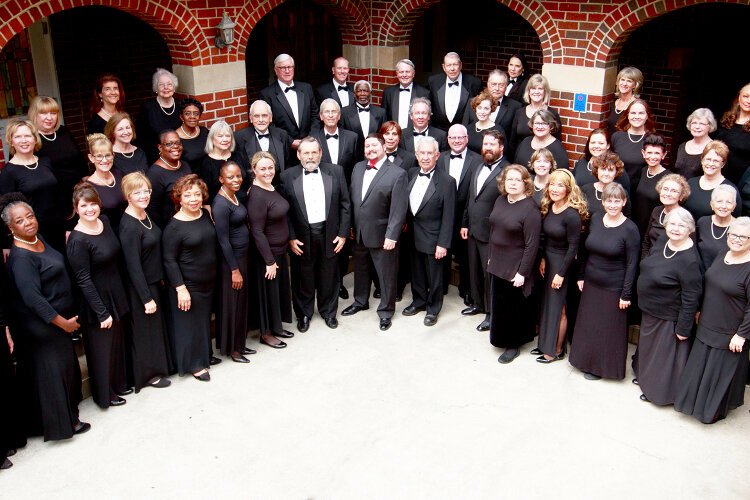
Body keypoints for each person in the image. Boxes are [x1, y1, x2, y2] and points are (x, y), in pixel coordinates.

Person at [3, 194, 90, 440]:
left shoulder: (37, 239)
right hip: (44, 326)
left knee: (66, 370)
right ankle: (64, 425)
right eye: (20, 221)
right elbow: (33, 299)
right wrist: (63, 323)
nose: (28, 222)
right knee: (54, 374)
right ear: (11, 228)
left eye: (30, 216)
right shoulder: (21, 258)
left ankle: (68, 416)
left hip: (58, 320)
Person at [675, 217, 750, 423]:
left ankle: (711, 411)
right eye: (733, 234)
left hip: (730, 331)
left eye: (743, 237)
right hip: (708, 322)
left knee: (718, 374)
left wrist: (742, 334)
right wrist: (699, 309)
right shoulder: (722, 254)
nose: (736, 239)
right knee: (700, 368)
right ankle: (694, 404)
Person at [66, 182, 130, 408]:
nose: (90, 209)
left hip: (116, 290)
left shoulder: (104, 222)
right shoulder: (77, 240)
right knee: (102, 349)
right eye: (84, 206)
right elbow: (83, 279)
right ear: (76, 208)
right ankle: (105, 394)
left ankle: (119, 384)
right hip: (96, 299)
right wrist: (101, 312)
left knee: (116, 344)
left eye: (93, 204)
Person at [569, 183, 640, 380]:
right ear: (603, 201)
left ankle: (602, 369)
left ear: (624, 202)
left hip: (613, 288)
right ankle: (584, 361)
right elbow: (584, 250)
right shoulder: (596, 219)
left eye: (617, 201)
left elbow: (632, 264)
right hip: (591, 283)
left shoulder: (630, 229)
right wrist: (581, 275)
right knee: (589, 326)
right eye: (609, 200)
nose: (613, 204)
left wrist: (626, 294)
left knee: (607, 331)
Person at [280, 137, 350, 331]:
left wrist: (343, 233)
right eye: (306, 152)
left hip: (330, 232)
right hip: (301, 235)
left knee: (329, 274)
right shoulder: (287, 176)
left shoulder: (336, 171)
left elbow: (345, 204)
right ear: (298, 154)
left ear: (320, 153)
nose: (310, 156)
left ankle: (328, 312)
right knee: (304, 275)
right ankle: (303, 314)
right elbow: (284, 211)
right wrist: (291, 237)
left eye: (314, 152)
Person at [342, 134, 408, 331]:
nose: (370, 149)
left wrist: (392, 236)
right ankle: (360, 301)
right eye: (366, 146)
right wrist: (352, 226)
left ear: (383, 147)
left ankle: (386, 311)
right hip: (360, 232)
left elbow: (399, 209)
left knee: (386, 274)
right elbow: (355, 201)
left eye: (373, 145)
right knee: (360, 270)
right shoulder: (358, 168)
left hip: (383, 235)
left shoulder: (397, 173)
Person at [636, 208, 702, 405]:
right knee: (649, 352)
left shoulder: (690, 260)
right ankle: (645, 381)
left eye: (681, 226)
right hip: (651, 310)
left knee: (663, 359)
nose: (675, 229)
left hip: (668, 316)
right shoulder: (665, 241)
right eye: (672, 224)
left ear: (690, 230)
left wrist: (683, 328)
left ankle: (660, 394)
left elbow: (691, 297)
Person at [118, 172, 172, 391]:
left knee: (155, 329)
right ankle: (148, 375)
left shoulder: (144, 214)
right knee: (145, 332)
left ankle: (162, 366)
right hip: (142, 287)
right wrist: (146, 298)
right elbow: (133, 266)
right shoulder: (129, 225)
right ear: (128, 196)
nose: (143, 195)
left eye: (146, 191)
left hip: (154, 281)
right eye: (137, 192)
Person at [162, 174, 217, 380]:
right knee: (190, 325)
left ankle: (205, 355)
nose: (193, 199)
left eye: (197, 194)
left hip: (208, 280)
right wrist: (180, 287)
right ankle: (194, 364)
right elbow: (169, 260)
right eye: (188, 195)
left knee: (203, 321)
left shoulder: (204, 214)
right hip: (188, 284)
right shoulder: (174, 227)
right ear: (179, 198)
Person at [488, 164, 541, 363]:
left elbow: (532, 245)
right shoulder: (501, 200)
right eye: (509, 179)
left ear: (525, 183)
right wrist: (492, 256)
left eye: (517, 180)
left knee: (514, 307)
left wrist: (522, 273)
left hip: (516, 266)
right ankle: (500, 338)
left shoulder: (530, 209)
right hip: (498, 261)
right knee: (500, 304)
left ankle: (514, 344)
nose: (512, 183)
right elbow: (494, 230)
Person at [534, 170, 587, 363]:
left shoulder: (572, 215)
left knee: (560, 307)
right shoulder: (549, 207)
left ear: (568, 189)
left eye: (560, 185)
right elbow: (545, 238)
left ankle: (556, 350)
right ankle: (544, 344)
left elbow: (574, 247)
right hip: (548, 260)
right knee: (548, 304)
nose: (555, 189)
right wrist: (542, 259)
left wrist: (561, 274)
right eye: (553, 184)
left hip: (563, 264)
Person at [402, 136, 455, 326]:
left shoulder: (447, 181)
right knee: (416, 271)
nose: (425, 157)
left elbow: (449, 216)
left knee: (435, 275)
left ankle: (433, 308)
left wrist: (443, 243)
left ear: (437, 155)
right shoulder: (410, 173)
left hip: (434, 237)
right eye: (422, 153)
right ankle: (419, 301)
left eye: (429, 153)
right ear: (416, 155)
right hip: (412, 234)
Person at [461, 130, 508, 331]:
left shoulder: (507, 171)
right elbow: (471, 198)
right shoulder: (478, 166)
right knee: (474, 270)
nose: (487, 148)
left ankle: (491, 313)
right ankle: (478, 304)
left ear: (501, 148)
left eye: (492, 144)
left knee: (489, 275)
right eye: (485, 144)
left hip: (492, 233)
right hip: (473, 229)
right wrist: (465, 223)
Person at [246, 152, 294, 348]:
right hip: (267, 255)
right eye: (262, 169)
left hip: (280, 250)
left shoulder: (271, 187)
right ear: (254, 170)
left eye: (270, 168)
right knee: (267, 294)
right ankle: (266, 333)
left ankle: (276, 326)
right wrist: (269, 261)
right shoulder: (256, 195)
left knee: (277, 292)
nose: (267, 172)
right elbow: (257, 231)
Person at [0, 119, 66, 252]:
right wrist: (6, 244)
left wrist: (68, 226)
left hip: (58, 228)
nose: (23, 140)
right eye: (18, 137)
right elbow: (6, 212)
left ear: (35, 139)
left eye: (27, 135)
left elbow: (59, 196)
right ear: (11, 141)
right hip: (33, 233)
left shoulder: (45, 162)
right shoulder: (8, 172)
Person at [212, 162, 253, 362]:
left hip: (243, 257)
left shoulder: (234, 195)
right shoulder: (220, 204)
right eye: (230, 177)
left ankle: (240, 344)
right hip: (232, 261)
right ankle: (233, 350)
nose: (236, 180)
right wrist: (234, 270)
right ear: (221, 179)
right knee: (232, 304)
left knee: (241, 302)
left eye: (238, 176)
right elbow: (222, 240)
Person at [438, 124, 482, 301]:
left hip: (466, 216)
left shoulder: (478, 160)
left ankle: (466, 289)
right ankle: (440, 287)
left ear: (467, 139)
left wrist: (466, 220)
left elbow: (475, 193)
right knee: (442, 253)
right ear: (448, 140)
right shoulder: (440, 158)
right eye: (453, 137)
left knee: (465, 256)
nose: (456, 141)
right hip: (443, 216)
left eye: (460, 137)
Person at [28, 96, 87, 205]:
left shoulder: (63, 131)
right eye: (44, 113)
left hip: (77, 193)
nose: (49, 118)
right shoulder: (29, 138)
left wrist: (86, 182)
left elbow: (79, 160)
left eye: (53, 113)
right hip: (51, 198)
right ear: (34, 114)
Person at [259, 53, 320, 149]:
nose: (287, 71)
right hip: (284, 148)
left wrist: (311, 138)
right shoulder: (267, 94)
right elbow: (269, 124)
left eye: (290, 67)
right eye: (283, 68)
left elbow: (315, 115)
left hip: (309, 146)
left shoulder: (306, 88)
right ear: (276, 70)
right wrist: (290, 141)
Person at [234, 100, 292, 179]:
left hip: (279, 187)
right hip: (253, 188)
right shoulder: (239, 137)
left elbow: (287, 164)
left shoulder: (282, 135)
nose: (261, 120)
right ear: (251, 118)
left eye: (264, 115)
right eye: (256, 116)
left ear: (270, 117)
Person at [683, 140, 741, 220]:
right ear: (702, 160)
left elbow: (735, 220)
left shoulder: (730, 189)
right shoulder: (690, 183)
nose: (711, 164)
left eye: (716, 161)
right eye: (708, 159)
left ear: (723, 164)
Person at [509, 74, 562, 159]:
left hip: (543, 162)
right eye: (533, 88)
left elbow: (557, 142)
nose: (536, 92)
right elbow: (512, 142)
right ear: (528, 92)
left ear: (545, 92)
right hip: (521, 159)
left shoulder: (552, 114)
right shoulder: (519, 112)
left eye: (540, 89)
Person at [146, 130, 192, 228]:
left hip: (190, 219)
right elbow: (152, 209)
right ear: (160, 147)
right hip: (172, 226)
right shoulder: (155, 174)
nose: (175, 146)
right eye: (169, 144)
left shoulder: (185, 165)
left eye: (178, 143)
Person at [136, 68, 182, 163]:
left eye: (169, 84)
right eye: (161, 85)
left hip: (179, 156)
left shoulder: (181, 106)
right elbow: (141, 138)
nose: (166, 87)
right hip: (154, 158)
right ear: (156, 88)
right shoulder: (147, 108)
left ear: (174, 87)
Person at [427, 52, 482, 131]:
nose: (452, 68)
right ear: (444, 67)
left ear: (460, 65)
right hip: (439, 132)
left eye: (455, 64)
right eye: (449, 65)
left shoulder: (474, 83)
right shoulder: (434, 81)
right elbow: (429, 106)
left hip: (464, 133)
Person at [198, 120, 250, 204]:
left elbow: (249, 176)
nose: (225, 139)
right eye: (220, 136)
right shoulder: (206, 163)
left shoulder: (239, 156)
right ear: (212, 138)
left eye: (227, 136)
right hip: (223, 207)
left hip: (245, 202)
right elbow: (206, 193)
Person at [84, 133, 127, 232]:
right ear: (91, 158)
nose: (104, 160)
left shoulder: (120, 175)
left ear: (113, 155)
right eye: (99, 156)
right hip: (109, 235)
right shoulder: (88, 187)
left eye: (108, 155)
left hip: (129, 231)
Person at [641, 173, 691, 258]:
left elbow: (686, 250)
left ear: (681, 196)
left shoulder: (684, 218)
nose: (667, 194)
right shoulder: (656, 211)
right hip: (649, 261)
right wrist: (644, 260)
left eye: (674, 191)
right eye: (665, 189)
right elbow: (646, 240)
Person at [611, 98, 655, 188]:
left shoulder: (652, 140)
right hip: (616, 190)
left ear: (647, 116)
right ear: (628, 115)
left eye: (641, 113)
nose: (637, 116)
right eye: (633, 113)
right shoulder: (617, 137)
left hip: (641, 190)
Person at [463, 69, 521, 136]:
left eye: (501, 85)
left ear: (506, 86)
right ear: (488, 84)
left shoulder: (515, 107)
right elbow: (464, 128)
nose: (497, 88)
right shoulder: (473, 102)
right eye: (493, 84)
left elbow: (513, 137)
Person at [314, 98, 359, 184]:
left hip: (347, 188)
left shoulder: (352, 138)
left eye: (334, 111)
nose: (330, 115)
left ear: (339, 116)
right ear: (321, 116)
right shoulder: (313, 139)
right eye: (327, 112)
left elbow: (356, 168)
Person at [571, 128, 630, 193]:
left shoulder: (615, 166)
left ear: (608, 145)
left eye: (601, 143)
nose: (596, 146)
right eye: (593, 142)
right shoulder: (581, 163)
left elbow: (625, 193)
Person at [632, 134, 669, 236]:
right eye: (649, 153)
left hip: (654, 229)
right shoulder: (642, 171)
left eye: (657, 153)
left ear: (664, 155)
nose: (652, 157)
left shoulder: (668, 178)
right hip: (637, 226)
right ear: (643, 153)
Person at [695, 185, 737, 270]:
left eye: (728, 202)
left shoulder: (740, 228)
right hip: (701, 276)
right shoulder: (703, 222)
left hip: (725, 278)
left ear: (734, 206)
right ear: (712, 205)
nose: (724, 206)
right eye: (719, 201)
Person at [581, 151, 631, 220]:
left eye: (610, 170)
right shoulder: (585, 189)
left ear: (616, 172)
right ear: (597, 170)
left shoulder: (622, 193)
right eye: (603, 169)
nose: (606, 174)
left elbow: (626, 218)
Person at [716, 83, 750, 184]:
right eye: (746, 96)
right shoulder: (727, 119)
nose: (748, 101)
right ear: (739, 97)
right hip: (720, 176)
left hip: (743, 182)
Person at [340, 80, 386, 155]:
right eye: (359, 91)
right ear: (354, 94)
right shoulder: (344, 112)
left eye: (365, 91)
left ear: (370, 93)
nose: (362, 94)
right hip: (352, 155)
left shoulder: (381, 112)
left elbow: (382, 136)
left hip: (374, 154)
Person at [381, 59, 430, 129]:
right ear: (397, 74)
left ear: (413, 73)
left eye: (407, 72)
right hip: (394, 134)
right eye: (401, 72)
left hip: (414, 135)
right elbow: (384, 118)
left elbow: (428, 118)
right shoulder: (388, 92)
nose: (404, 75)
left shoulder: (424, 93)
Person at [674, 108, 716, 180]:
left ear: (710, 126)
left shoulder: (714, 148)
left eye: (702, 124)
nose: (697, 127)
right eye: (694, 123)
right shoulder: (682, 146)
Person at [606, 67, 643, 134]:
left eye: (629, 81)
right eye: (622, 80)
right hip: (611, 143)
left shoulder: (637, 105)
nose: (624, 84)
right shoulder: (614, 103)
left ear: (635, 85)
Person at [466, 90, 504, 155]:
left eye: (486, 108)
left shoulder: (498, 130)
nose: (482, 112)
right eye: (479, 108)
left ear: (491, 110)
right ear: (475, 109)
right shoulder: (468, 128)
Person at [176, 98, 209, 167]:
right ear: (181, 117)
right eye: (187, 114)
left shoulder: (204, 131)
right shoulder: (175, 137)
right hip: (189, 176)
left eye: (196, 114)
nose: (192, 117)